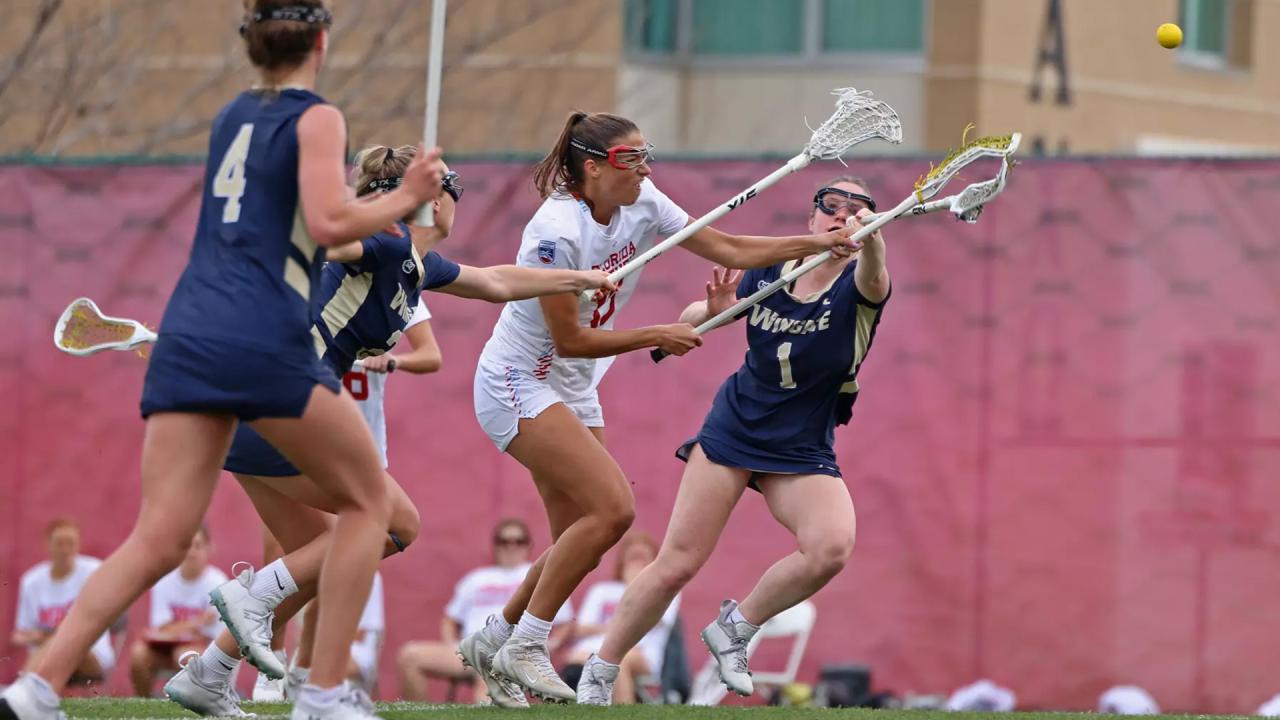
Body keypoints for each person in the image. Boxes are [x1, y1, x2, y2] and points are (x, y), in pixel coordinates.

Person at [0, 2, 450, 719]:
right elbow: (331, 224)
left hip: (185, 331)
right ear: (321, 43)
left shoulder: (229, 115)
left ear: (251, 45)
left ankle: (35, 687)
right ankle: (323, 694)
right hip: (261, 337)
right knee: (377, 507)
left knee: (158, 536)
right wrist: (407, 196)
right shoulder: (318, 115)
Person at [160, 145, 609, 717]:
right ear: (429, 198)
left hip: (261, 417)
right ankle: (257, 607)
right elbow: (335, 239)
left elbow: (495, 280)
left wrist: (578, 279)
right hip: (286, 404)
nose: (457, 204)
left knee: (321, 558)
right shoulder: (386, 241)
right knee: (394, 524)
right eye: (452, 191)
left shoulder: (416, 265)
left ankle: (210, 672)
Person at [462, 110, 861, 705]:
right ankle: (526, 645)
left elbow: (725, 245)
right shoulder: (555, 231)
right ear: (592, 168)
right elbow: (569, 338)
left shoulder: (643, 199)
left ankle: (492, 642)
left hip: (573, 384)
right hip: (520, 379)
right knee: (614, 512)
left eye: (648, 155)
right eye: (631, 160)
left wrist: (818, 242)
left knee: (579, 535)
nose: (644, 170)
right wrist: (657, 334)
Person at [574, 176, 888, 704]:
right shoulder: (774, 266)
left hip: (801, 444)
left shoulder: (859, 284)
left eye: (858, 209)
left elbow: (876, 276)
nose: (842, 214)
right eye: (831, 206)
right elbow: (696, 319)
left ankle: (735, 628)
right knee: (677, 562)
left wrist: (872, 235)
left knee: (830, 548)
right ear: (812, 219)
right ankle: (600, 672)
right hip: (736, 427)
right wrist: (717, 306)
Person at [397, 519, 572, 705]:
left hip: (513, 653)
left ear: (528, 545)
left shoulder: (539, 576)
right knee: (409, 656)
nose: (511, 547)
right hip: (470, 651)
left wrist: (550, 645)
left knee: (489, 678)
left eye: (518, 541)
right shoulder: (476, 579)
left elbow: (565, 622)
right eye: (504, 541)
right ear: (495, 545)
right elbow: (450, 619)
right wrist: (452, 644)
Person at [566, 532, 677, 705]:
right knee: (575, 659)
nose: (638, 564)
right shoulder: (601, 590)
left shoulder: (667, 590)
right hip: (591, 650)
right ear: (622, 562)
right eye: (633, 557)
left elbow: (653, 621)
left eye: (643, 558)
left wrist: (636, 586)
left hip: (641, 653)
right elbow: (580, 628)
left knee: (618, 660)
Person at [129, 526, 227, 697]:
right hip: (166, 650)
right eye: (188, 546)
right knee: (139, 654)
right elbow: (162, 629)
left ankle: (193, 704)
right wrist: (197, 622)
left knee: (184, 655)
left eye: (198, 546)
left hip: (206, 651)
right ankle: (145, 703)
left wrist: (176, 629)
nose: (192, 552)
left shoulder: (218, 582)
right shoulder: (165, 580)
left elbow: (211, 635)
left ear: (209, 548)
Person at [12, 520, 113, 685]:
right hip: (47, 657)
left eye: (70, 543)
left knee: (59, 645)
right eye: (59, 543)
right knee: (53, 647)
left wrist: (51, 637)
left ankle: (24, 689)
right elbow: (20, 634)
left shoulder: (94, 571)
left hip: (90, 654)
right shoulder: (31, 581)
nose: (65, 550)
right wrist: (37, 636)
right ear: (48, 545)